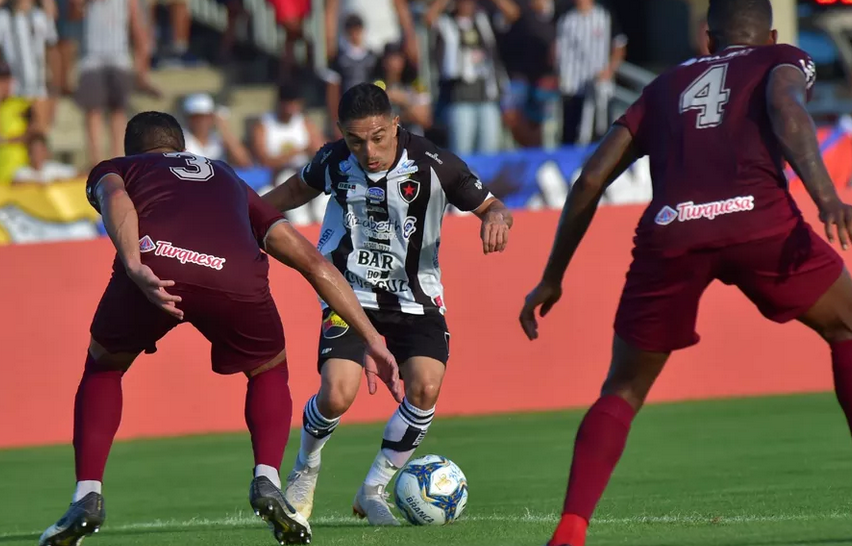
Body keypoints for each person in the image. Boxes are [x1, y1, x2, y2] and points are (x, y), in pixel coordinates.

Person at [519, 1, 852, 546]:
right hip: (758, 222)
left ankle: (570, 530)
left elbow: (590, 180)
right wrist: (827, 198)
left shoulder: (663, 86)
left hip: (673, 233)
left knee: (624, 388)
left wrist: (552, 276)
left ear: (707, 39)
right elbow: (788, 110)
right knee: (848, 325)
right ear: (770, 36)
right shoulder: (781, 59)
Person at [37, 111, 403, 546]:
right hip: (234, 277)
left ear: (132, 150)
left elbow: (115, 196)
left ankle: (87, 495)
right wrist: (372, 338)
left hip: (155, 266)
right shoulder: (227, 176)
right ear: (182, 146)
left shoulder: (118, 167)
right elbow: (312, 262)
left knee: (104, 367)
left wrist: (134, 264)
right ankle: (267, 479)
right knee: (268, 370)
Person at [263, 83, 513, 525]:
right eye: (356, 140)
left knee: (425, 388)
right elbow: (288, 195)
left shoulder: (435, 164)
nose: (368, 151)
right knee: (337, 393)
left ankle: (373, 489)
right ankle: (306, 468)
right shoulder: (333, 160)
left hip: (415, 297)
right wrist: (243, 219)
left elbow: (494, 206)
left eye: (378, 137)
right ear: (341, 132)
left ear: (395, 124)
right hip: (349, 293)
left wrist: (495, 218)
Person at [182, 93, 252, 167]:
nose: (202, 121)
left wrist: (224, 129)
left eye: (206, 116)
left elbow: (244, 162)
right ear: (188, 119)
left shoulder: (218, 138)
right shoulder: (181, 139)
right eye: (196, 117)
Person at [13, 132, 78, 183]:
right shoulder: (22, 172)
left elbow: (78, 175)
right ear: (29, 153)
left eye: (40, 151)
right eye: (34, 151)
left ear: (46, 152)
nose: (37, 154)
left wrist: (60, 182)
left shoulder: (55, 169)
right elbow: (14, 186)